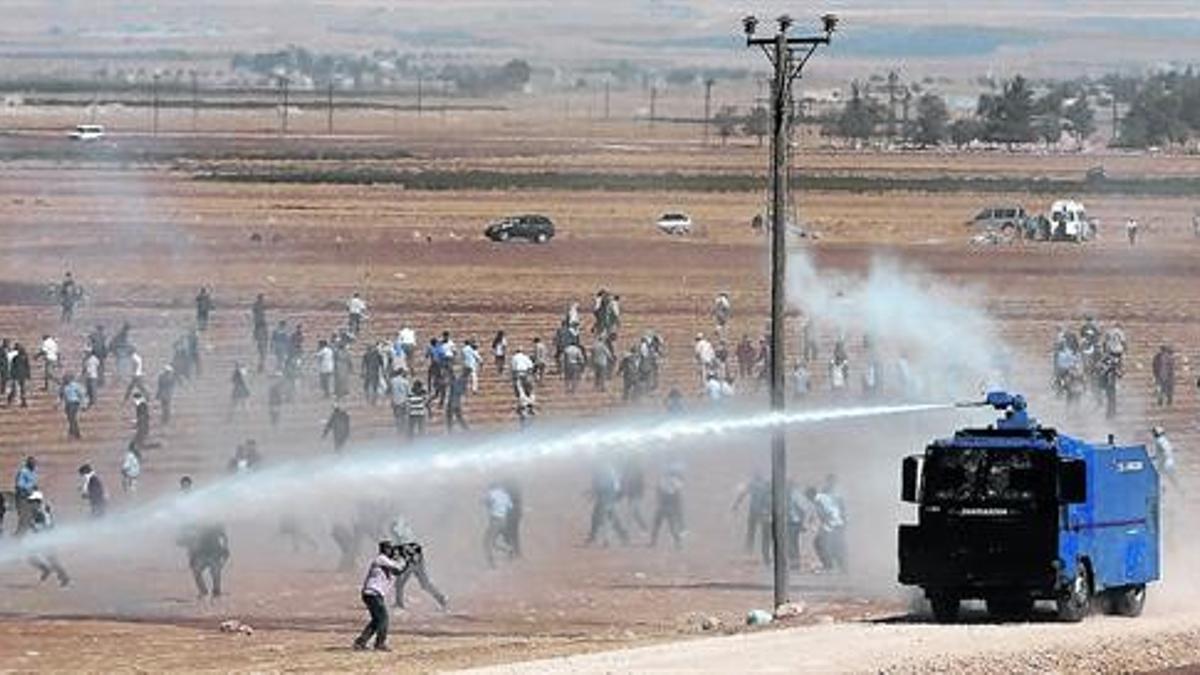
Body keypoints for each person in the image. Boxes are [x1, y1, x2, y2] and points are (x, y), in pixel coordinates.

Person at [354, 541, 405, 651]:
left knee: (377, 620)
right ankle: (379, 644)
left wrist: (401, 559)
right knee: (384, 619)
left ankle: (360, 642)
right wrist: (402, 558)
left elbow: (398, 572)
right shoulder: (381, 559)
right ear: (385, 550)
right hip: (373, 593)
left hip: (373, 594)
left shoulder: (386, 561)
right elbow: (398, 568)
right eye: (390, 549)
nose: (392, 551)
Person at [388, 517, 449, 611]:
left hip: (413, 557)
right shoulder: (402, 529)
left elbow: (404, 549)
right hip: (415, 556)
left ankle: (399, 604)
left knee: (402, 582)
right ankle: (442, 599)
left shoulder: (399, 530)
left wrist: (403, 560)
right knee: (423, 583)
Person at [26, 492, 70, 587]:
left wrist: (34, 526)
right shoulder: (39, 510)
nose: (30, 503)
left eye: (32, 501)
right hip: (42, 538)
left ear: (37, 501)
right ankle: (49, 571)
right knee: (33, 557)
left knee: (51, 559)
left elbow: (47, 525)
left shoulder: (42, 511)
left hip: (46, 539)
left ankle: (63, 577)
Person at [178, 521, 230, 599]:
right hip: (201, 554)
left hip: (214, 552)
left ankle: (216, 591)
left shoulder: (215, 523)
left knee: (215, 572)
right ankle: (203, 591)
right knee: (197, 571)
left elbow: (224, 537)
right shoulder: (194, 524)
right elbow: (184, 538)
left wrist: (224, 549)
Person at [585, 463, 628, 546]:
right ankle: (622, 536)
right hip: (605, 499)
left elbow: (614, 486)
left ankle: (605, 539)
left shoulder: (607, 472)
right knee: (608, 518)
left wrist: (592, 493)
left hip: (607, 498)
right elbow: (598, 487)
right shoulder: (602, 473)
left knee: (601, 518)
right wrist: (591, 493)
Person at [732, 472, 771, 563]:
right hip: (762, 511)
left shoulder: (752, 485)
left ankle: (750, 550)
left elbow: (742, 495)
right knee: (763, 533)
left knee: (751, 531)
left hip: (755, 510)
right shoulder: (765, 485)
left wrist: (736, 505)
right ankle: (763, 552)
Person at [809, 484, 847, 572]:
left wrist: (828, 527)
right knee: (825, 544)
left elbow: (832, 512)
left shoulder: (821, 500)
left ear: (811, 495)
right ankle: (832, 565)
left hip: (835, 526)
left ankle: (831, 565)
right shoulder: (819, 500)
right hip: (833, 525)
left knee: (823, 544)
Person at [649, 463, 686, 549]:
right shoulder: (675, 481)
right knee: (670, 526)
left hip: (664, 505)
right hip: (667, 506)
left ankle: (653, 542)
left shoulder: (666, 480)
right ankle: (678, 543)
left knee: (658, 525)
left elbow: (659, 490)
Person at [482, 483, 514, 568]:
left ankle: (492, 564)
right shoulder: (505, 495)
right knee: (493, 542)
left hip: (495, 521)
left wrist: (490, 506)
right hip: (504, 520)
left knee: (487, 542)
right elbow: (510, 507)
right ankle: (508, 549)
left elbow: (486, 501)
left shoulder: (492, 493)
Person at [14, 456, 39, 535]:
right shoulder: (23, 472)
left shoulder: (33, 472)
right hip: (23, 497)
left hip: (32, 497)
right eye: (32, 463)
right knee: (24, 519)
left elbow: (34, 484)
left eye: (34, 463)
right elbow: (19, 486)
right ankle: (17, 539)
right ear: (28, 464)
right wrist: (29, 489)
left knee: (33, 516)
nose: (34, 465)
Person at [60, 373, 85, 440]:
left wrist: (83, 404)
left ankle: (74, 433)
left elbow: (81, 394)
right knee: (70, 419)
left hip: (74, 403)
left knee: (72, 418)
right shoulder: (64, 386)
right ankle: (74, 433)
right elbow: (61, 395)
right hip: (68, 404)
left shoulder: (75, 385)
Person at [7, 342, 29, 407]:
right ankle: (10, 400)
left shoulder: (24, 356)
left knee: (22, 389)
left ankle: (23, 402)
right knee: (15, 389)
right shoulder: (15, 357)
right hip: (16, 375)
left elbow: (27, 366)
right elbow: (12, 367)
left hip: (21, 375)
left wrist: (28, 375)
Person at [252, 294, 269, 372]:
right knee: (262, 353)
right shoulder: (258, 307)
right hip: (260, 328)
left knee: (261, 353)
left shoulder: (257, 307)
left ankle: (260, 365)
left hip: (259, 328)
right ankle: (260, 366)